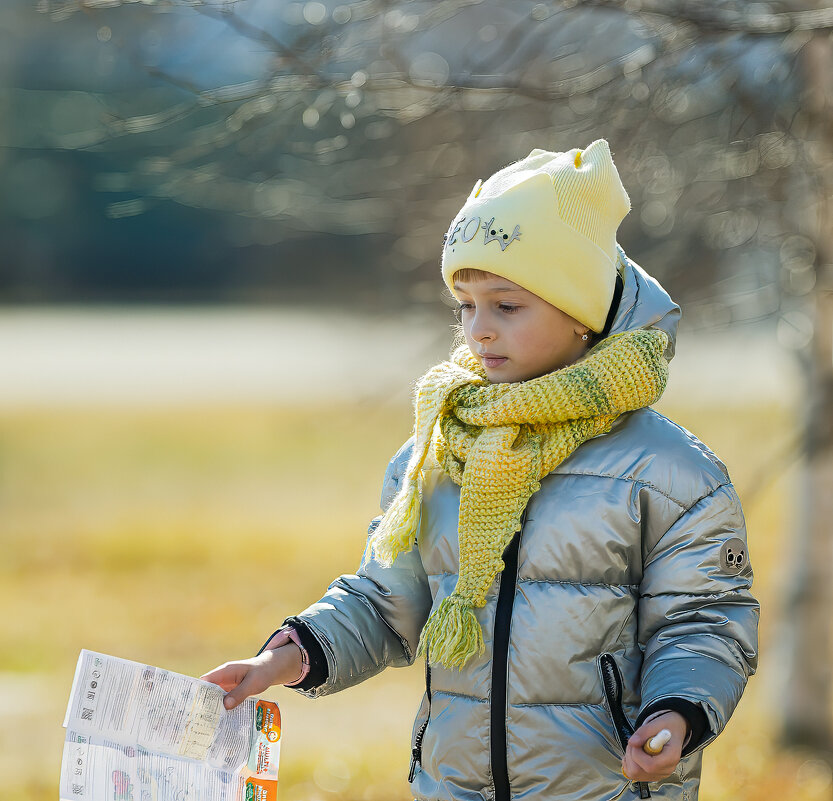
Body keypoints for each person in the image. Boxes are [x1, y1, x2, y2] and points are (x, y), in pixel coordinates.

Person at [202, 139, 759, 801]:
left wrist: (677, 713)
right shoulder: (439, 452)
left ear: (580, 314)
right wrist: (283, 658)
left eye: (506, 305)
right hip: (455, 786)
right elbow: (383, 603)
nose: (479, 330)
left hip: (606, 788)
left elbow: (703, 621)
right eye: (465, 305)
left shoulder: (668, 474)